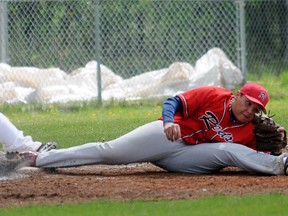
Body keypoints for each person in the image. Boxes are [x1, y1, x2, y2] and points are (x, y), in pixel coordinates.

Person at [21, 83, 288, 175]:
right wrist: (169, 121)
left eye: (256, 110)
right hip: (166, 137)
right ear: (239, 95)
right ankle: (41, 158)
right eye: (249, 104)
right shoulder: (214, 96)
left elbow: (251, 155)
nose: (250, 111)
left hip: (187, 159)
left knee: (230, 150)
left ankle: (282, 165)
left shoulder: (250, 131)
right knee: (110, 151)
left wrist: (278, 152)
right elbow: (173, 101)